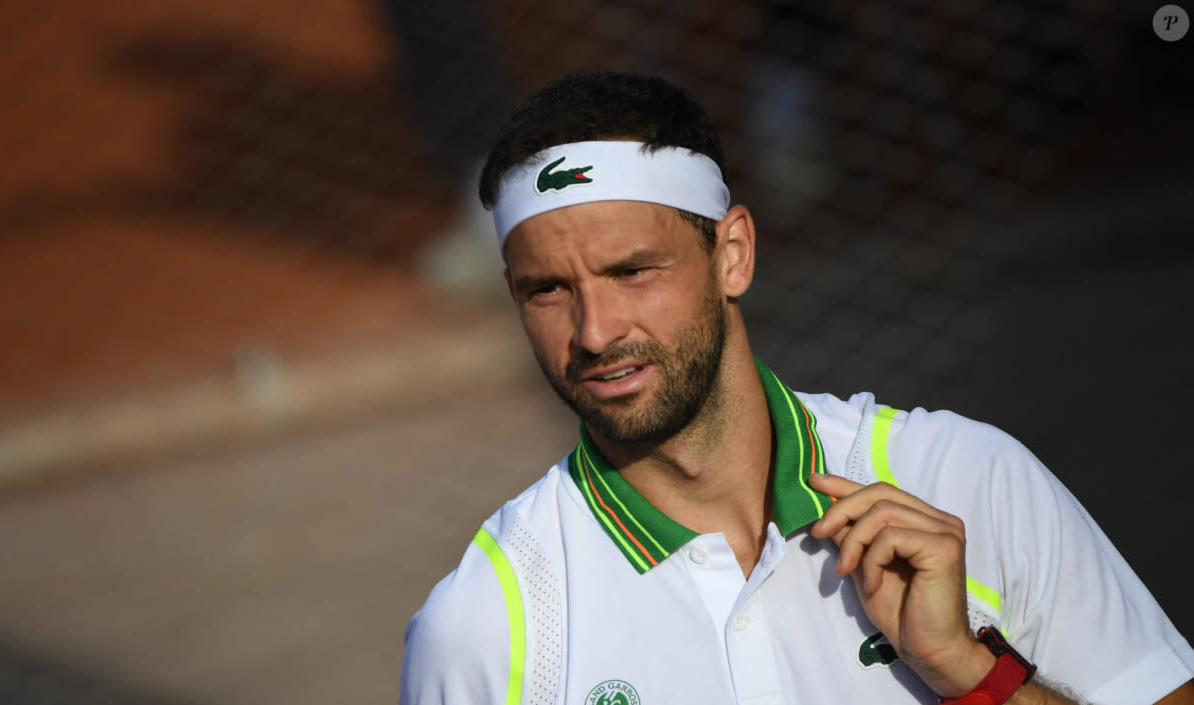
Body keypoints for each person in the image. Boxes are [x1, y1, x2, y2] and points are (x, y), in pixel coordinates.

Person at [400, 72, 1194, 705]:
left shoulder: (969, 481)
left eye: (633, 271)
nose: (596, 330)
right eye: (547, 290)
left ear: (732, 254)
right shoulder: (486, 631)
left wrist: (972, 675)